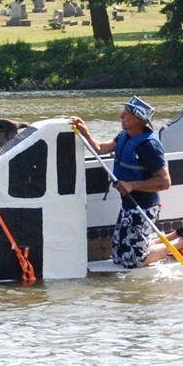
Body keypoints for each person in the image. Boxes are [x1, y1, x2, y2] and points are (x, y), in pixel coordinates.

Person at [71, 97, 172, 268]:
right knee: (118, 256)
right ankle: (177, 234)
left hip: (144, 207)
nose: (120, 116)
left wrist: (132, 185)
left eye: (125, 114)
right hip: (128, 205)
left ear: (138, 120)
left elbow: (165, 182)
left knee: (134, 260)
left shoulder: (148, 146)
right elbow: (100, 149)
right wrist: (85, 132)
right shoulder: (124, 136)